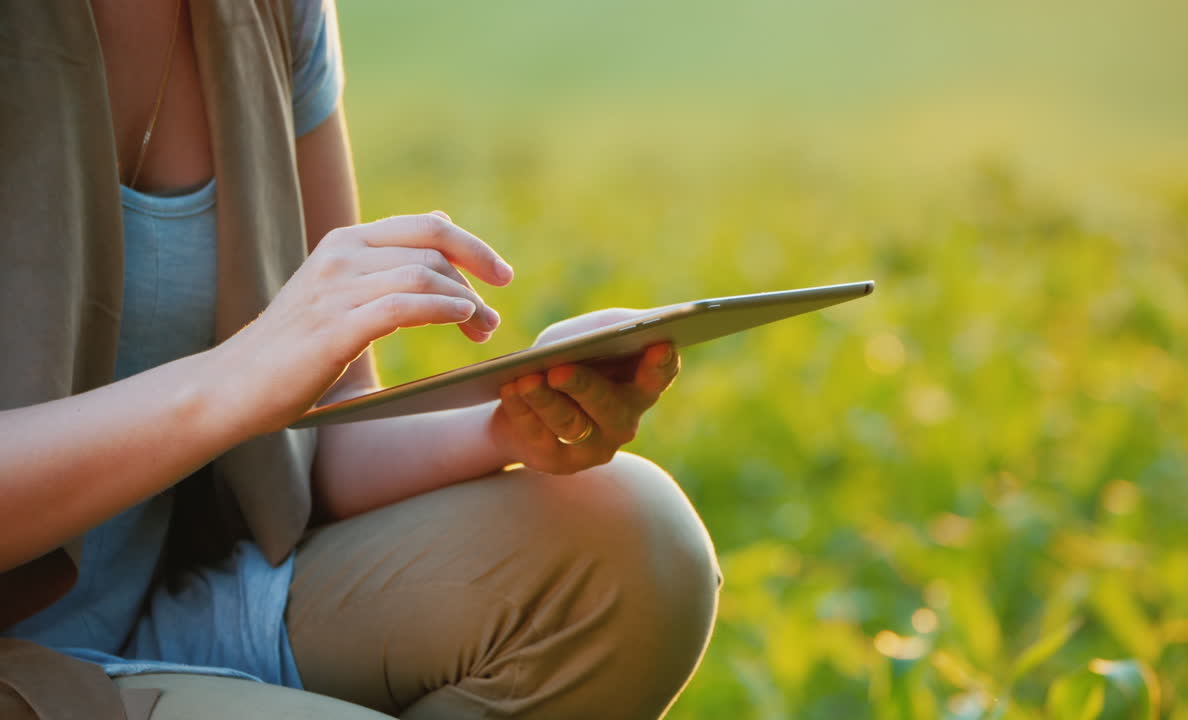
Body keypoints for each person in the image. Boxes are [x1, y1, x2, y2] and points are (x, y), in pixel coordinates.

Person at [0, 1, 720, 718]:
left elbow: (326, 433)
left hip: (170, 603)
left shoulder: (281, 15)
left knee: (634, 540)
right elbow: (241, 382)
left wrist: (507, 424)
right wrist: (226, 382)